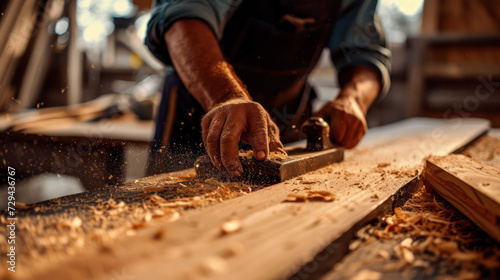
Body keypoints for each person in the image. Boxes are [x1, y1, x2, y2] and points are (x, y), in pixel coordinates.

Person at [145, 0, 391, 177]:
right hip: (199, 108)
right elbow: (184, 16)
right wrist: (225, 96)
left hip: (287, 117)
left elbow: (364, 52)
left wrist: (353, 97)